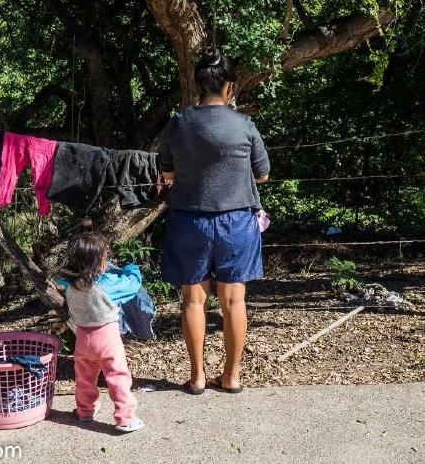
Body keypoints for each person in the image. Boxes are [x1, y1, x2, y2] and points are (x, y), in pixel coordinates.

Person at [158, 46, 270, 394]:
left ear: (198, 86)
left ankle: (197, 378)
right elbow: (263, 174)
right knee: (234, 301)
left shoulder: (179, 124)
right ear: (229, 87)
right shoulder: (244, 125)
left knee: (193, 300)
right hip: (237, 221)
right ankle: (232, 377)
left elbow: (166, 170)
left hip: (189, 221)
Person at [55, 219, 144, 432]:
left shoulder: (69, 284)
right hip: (107, 339)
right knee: (117, 377)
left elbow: (62, 278)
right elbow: (132, 285)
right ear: (100, 262)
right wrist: (133, 269)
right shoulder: (107, 285)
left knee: (84, 378)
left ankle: (85, 411)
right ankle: (125, 417)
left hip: (82, 338)